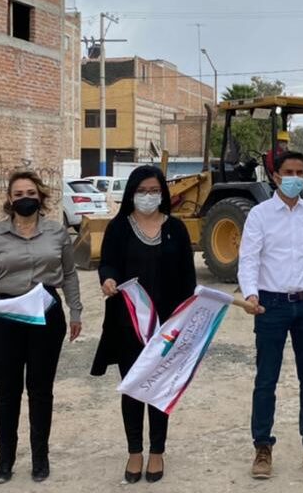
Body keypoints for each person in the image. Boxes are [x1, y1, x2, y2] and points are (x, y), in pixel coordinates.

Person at [0, 171, 83, 484]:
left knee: (41, 390)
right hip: (6, 314)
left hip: (46, 313)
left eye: (30, 192)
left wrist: (76, 311)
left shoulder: (57, 233)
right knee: (7, 391)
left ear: (40, 196)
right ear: (9, 200)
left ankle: (40, 456)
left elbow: (69, 274)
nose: (24, 198)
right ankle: (6, 458)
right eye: (18, 194)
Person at [239, 151, 303, 479]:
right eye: (288, 171)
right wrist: (250, 293)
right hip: (270, 305)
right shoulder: (259, 215)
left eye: (300, 171)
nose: (295, 177)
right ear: (275, 175)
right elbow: (248, 259)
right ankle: (262, 449)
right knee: (266, 380)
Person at [92, 166, 197, 484]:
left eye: (154, 191)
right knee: (135, 387)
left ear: (163, 193)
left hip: (167, 326)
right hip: (129, 324)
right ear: (131, 193)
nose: (148, 196)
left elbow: (187, 278)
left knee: (160, 389)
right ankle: (135, 451)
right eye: (142, 190)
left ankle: (157, 452)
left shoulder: (176, 230)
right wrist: (108, 278)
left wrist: (183, 318)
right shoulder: (119, 228)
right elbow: (107, 262)